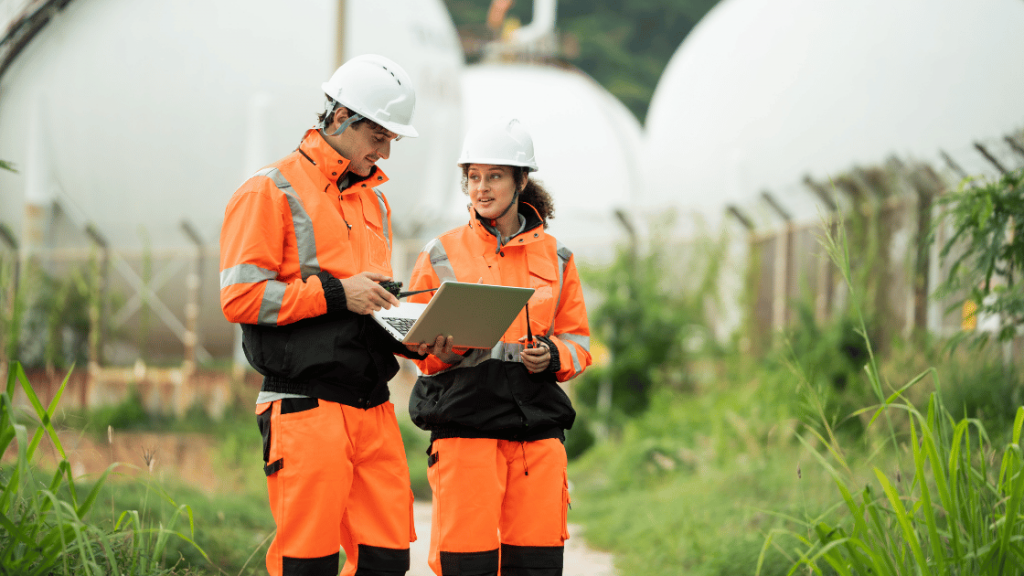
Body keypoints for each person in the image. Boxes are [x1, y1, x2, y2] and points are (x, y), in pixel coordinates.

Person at [219, 54, 424, 576]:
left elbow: (368, 302)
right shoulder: (268, 191)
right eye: (378, 137)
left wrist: (415, 334)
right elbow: (240, 298)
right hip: (306, 405)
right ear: (340, 117)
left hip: (374, 407)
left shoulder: (375, 204)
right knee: (307, 564)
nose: (384, 152)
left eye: (391, 141)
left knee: (387, 562)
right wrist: (336, 294)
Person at [406, 117, 592, 576]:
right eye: (473, 176)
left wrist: (553, 356)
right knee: (465, 563)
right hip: (465, 427)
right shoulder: (440, 253)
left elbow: (578, 340)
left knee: (536, 565)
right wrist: (440, 353)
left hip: (536, 430)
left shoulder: (558, 257)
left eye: (494, 176)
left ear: (521, 180)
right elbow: (412, 345)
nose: (481, 188)